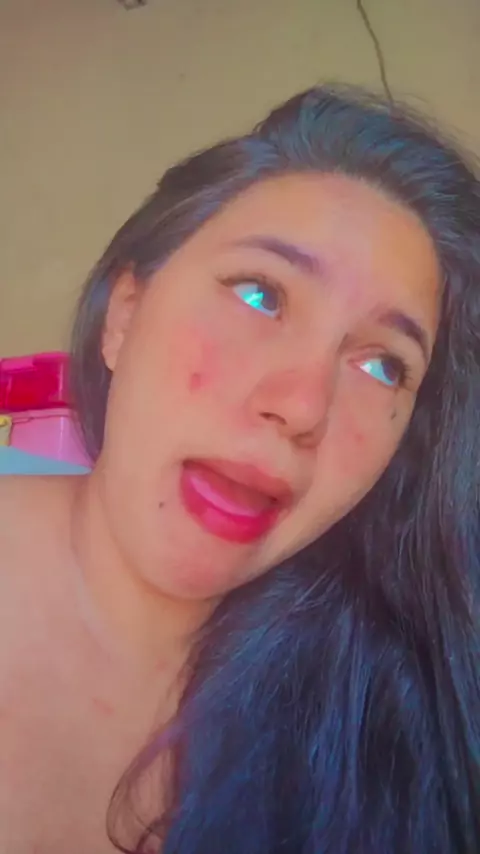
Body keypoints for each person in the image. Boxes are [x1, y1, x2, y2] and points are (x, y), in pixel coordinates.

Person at [0, 83, 479, 854]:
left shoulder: (381, 719)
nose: (301, 405)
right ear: (124, 315)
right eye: (260, 294)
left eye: (384, 365)